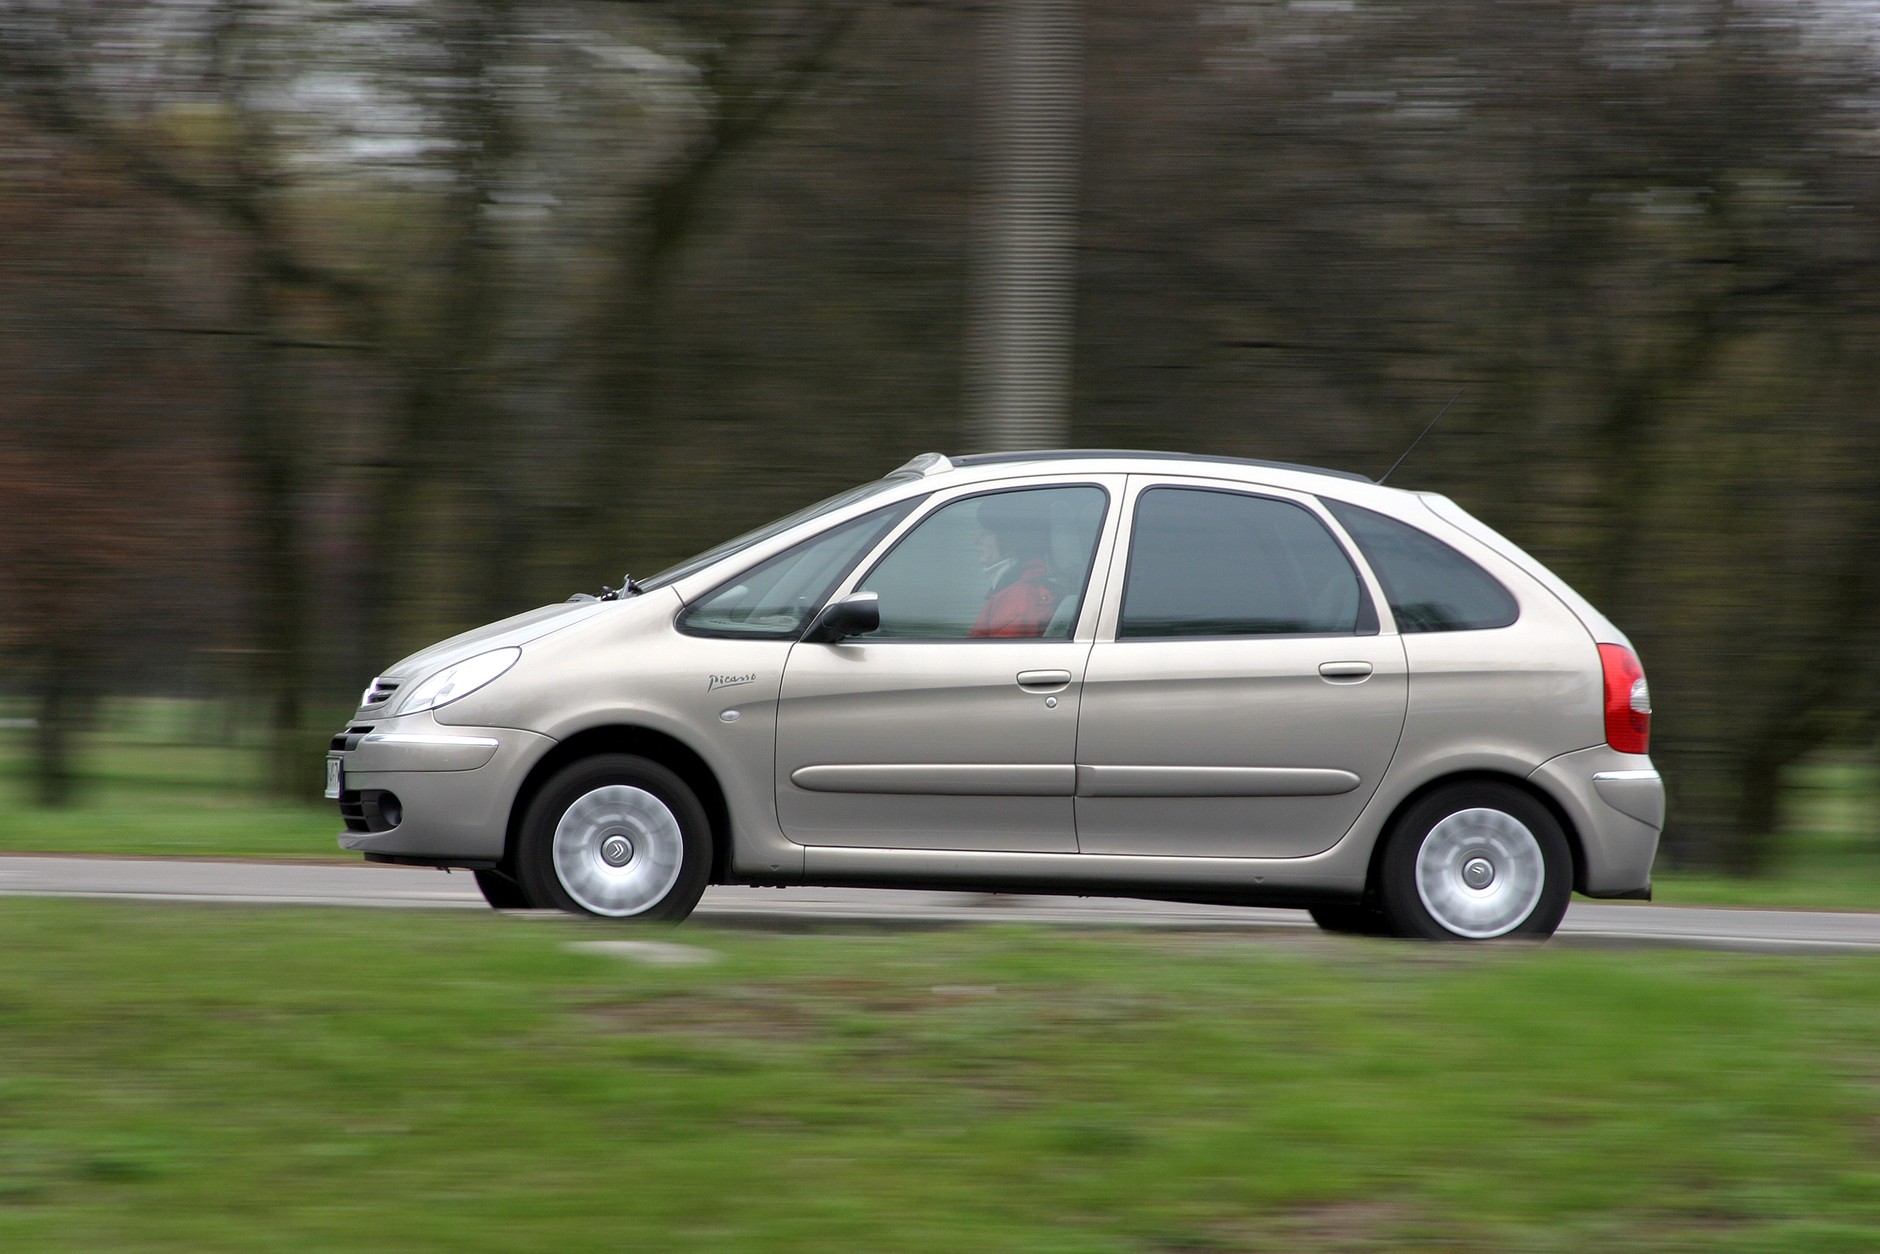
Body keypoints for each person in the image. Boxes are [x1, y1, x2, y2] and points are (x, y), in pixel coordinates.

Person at [970, 498, 1059, 637]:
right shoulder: (1010, 589)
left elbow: (1001, 650)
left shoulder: (1018, 596)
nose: (975, 541)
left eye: (986, 533)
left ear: (1009, 540)